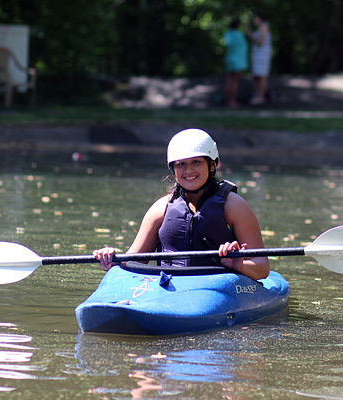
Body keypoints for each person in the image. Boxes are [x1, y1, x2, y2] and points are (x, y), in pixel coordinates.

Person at [93, 129, 270, 281]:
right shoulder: (161, 208)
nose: (188, 170)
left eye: (196, 162)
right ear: (173, 169)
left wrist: (238, 263)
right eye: (181, 164)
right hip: (169, 287)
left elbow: (262, 268)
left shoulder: (234, 206)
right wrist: (111, 259)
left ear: (212, 165)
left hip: (218, 285)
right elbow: (134, 261)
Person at [246, 11, 272, 105]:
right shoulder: (259, 28)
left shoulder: (264, 27)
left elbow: (260, 41)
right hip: (257, 55)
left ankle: (261, 97)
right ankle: (257, 95)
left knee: (261, 76)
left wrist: (252, 36)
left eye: (255, 18)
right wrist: (247, 28)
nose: (254, 20)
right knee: (256, 76)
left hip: (262, 56)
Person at [224, 18, 248, 108]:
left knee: (229, 80)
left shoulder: (227, 34)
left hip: (229, 59)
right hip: (238, 61)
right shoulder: (239, 35)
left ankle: (228, 101)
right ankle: (232, 101)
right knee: (235, 82)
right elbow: (244, 47)